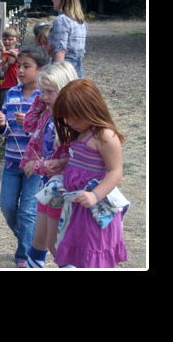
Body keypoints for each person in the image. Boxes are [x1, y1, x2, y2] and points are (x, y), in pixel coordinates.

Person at [50, 79, 127, 268]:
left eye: (73, 117)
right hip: (78, 209)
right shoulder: (80, 133)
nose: (68, 122)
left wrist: (95, 195)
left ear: (90, 109)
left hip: (94, 211)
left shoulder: (104, 137)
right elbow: (82, 160)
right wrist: (63, 163)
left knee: (93, 255)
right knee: (80, 253)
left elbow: (115, 171)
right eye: (65, 117)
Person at [20, 62, 79, 267]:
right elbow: (28, 125)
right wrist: (41, 99)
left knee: (54, 243)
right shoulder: (49, 111)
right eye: (41, 91)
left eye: (48, 92)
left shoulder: (69, 121)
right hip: (47, 184)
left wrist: (39, 166)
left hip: (59, 186)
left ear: (64, 91)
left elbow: (68, 161)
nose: (44, 96)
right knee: (40, 238)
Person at [0, 46, 49, 267]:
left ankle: (23, 254)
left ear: (41, 70)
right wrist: (2, 125)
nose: (21, 71)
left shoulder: (44, 98)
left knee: (27, 211)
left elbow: (47, 134)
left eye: (27, 67)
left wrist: (28, 123)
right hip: (11, 162)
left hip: (34, 165)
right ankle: (28, 237)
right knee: (6, 206)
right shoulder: (12, 93)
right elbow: (6, 132)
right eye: (20, 66)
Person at [49, 0, 88, 78]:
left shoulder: (62, 20)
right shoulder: (81, 22)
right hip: (78, 70)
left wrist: (56, 76)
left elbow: (61, 51)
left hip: (65, 71)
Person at [0, 27, 21, 106]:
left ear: (17, 41)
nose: (7, 42)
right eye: (4, 39)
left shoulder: (14, 52)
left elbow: (11, 61)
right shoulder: (3, 53)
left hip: (9, 86)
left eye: (10, 39)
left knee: (6, 106)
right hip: (1, 85)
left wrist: (4, 51)